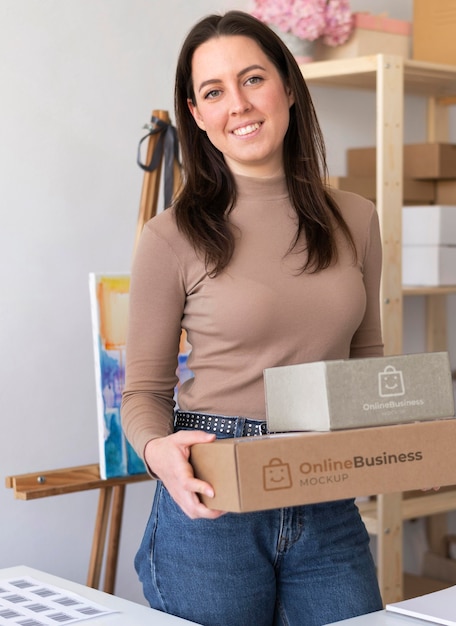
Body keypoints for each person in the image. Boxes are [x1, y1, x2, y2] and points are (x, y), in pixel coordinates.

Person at [121, 10, 384, 626]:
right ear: (197, 114)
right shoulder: (170, 238)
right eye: (213, 92)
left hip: (324, 490)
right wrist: (160, 453)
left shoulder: (359, 219)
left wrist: (404, 443)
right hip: (213, 492)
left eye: (253, 79)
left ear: (287, 87)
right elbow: (144, 392)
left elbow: (367, 360)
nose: (237, 104)